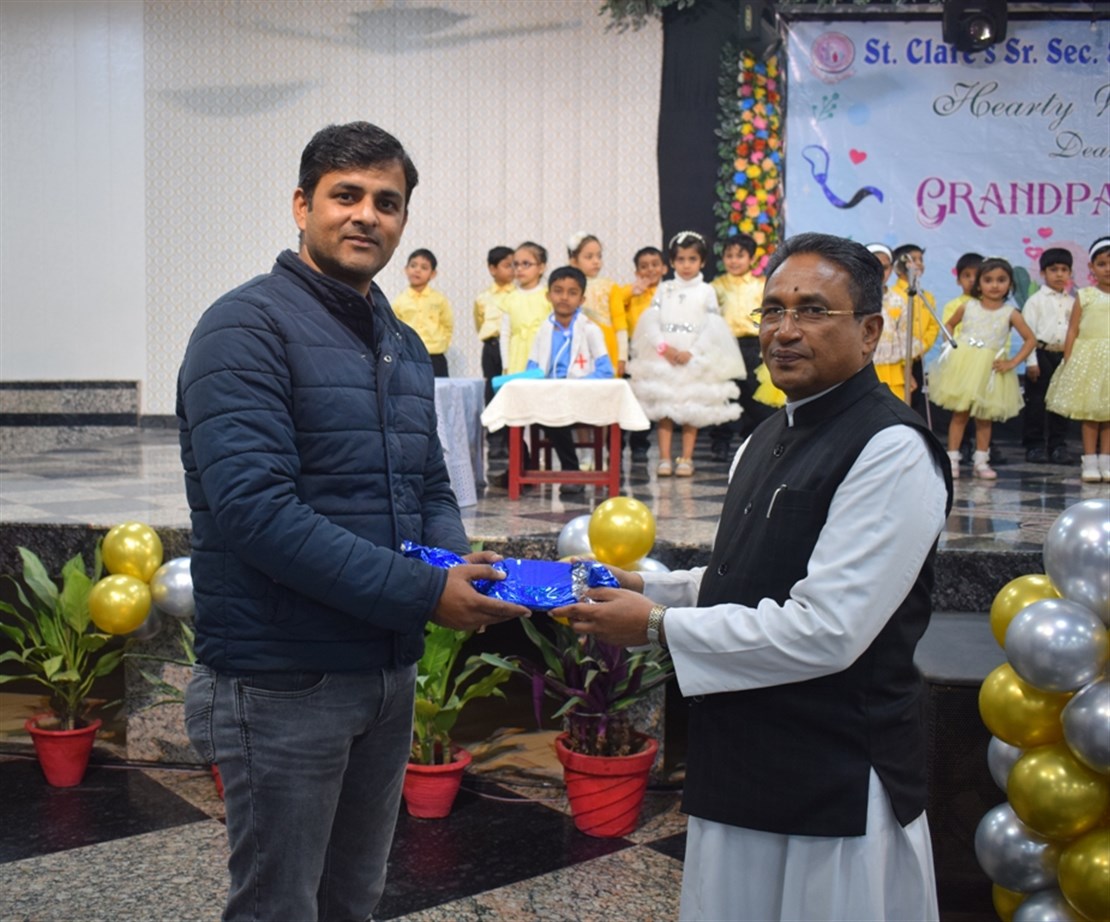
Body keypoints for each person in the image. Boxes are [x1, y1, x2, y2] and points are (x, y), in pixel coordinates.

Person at [177, 122, 528, 922]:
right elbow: (256, 513)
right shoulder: (244, 328)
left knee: (354, 898)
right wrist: (424, 593)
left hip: (383, 672)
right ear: (302, 206)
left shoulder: (398, 340)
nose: (368, 214)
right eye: (347, 195)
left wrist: (450, 566)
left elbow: (429, 482)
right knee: (279, 906)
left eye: (387, 202)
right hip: (283, 676)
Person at [552, 232, 954, 921]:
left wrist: (655, 625)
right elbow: (746, 577)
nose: (785, 330)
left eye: (813, 311)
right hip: (742, 756)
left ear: (869, 332)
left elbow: (828, 629)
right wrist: (644, 586)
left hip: (833, 775)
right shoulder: (765, 436)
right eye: (772, 310)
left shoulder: (890, 447)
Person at [627, 231, 745, 478]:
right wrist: (663, 347)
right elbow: (651, 322)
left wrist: (692, 351)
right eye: (681, 259)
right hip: (665, 356)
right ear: (672, 262)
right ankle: (664, 458)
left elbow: (712, 327)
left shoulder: (706, 290)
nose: (686, 265)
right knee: (665, 409)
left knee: (691, 408)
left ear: (702, 262)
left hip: (692, 356)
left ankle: (686, 459)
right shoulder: (664, 288)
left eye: (692, 259)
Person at [929, 257, 1037, 480]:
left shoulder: (1010, 313)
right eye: (988, 280)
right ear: (979, 284)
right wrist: (950, 345)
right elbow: (949, 324)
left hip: (991, 370)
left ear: (1010, 284)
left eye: (1001, 280)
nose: (995, 285)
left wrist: (1012, 362)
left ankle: (981, 461)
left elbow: (1030, 339)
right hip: (965, 366)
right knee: (960, 413)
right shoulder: (968, 306)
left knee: (984, 417)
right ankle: (952, 459)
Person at [523, 265, 615, 494]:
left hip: (582, 398)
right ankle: (523, 469)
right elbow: (532, 366)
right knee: (517, 409)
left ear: (582, 299)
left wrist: (576, 386)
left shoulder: (591, 330)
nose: (564, 297)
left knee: (555, 411)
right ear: (548, 295)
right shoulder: (543, 330)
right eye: (558, 291)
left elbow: (606, 371)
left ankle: (571, 469)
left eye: (572, 292)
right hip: (551, 398)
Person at [1047, 236, 1110, 483]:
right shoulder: (1085, 296)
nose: (1108, 269)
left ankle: (1106, 460)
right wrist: (1069, 358)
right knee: (1090, 413)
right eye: (1102, 264)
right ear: (1092, 268)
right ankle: (1090, 461)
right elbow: (1073, 329)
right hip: (1090, 359)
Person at [708, 234, 772, 460]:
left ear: (751, 259)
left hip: (752, 345)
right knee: (725, 394)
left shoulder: (761, 285)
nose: (734, 261)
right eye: (729, 256)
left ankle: (754, 441)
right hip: (725, 345)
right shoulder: (716, 286)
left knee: (753, 395)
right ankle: (720, 442)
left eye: (740, 256)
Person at [611, 245, 667, 463]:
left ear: (664, 268)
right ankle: (617, 445)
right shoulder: (629, 293)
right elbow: (615, 304)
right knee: (629, 399)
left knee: (649, 401)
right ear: (636, 272)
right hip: (634, 352)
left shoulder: (668, 292)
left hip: (657, 355)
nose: (650, 270)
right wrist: (631, 293)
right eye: (644, 266)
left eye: (655, 265)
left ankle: (640, 444)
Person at [1022, 247, 1075, 464]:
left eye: (1064, 270)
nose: (1059, 274)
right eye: (1054, 270)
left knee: (1060, 403)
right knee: (1036, 403)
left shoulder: (1073, 302)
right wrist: (1031, 362)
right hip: (1041, 354)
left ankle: (1058, 446)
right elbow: (1028, 334)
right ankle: (1034, 446)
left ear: (1070, 273)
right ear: (1043, 273)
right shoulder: (1035, 301)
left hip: (1064, 355)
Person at [474, 245, 515, 467]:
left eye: (514, 265)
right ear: (492, 269)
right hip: (491, 348)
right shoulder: (483, 297)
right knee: (491, 393)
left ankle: (512, 441)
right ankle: (495, 443)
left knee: (511, 392)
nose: (513, 269)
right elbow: (479, 322)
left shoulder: (517, 295)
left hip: (512, 348)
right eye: (507, 265)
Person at [891, 243, 941, 418]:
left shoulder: (927, 297)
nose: (918, 263)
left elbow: (933, 326)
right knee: (897, 403)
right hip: (895, 361)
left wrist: (920, 347)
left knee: (915, 404)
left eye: (921, 259)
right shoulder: (892, 295)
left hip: (917, 357)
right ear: (898, 266)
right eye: (913, 259)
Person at [392, 247, 454, 378]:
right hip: (409, 357)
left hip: (435, 357)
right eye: (413, 265)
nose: (417, 270)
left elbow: (447, 326)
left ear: (433, 274)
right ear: (406, 269)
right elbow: (394, 329)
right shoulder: (399, 301)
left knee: (438, 389)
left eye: (424, 267)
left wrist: (441, 344)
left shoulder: (439, 299)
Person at [568, 231, 622, 371]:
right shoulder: (567, 287)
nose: (596, 261)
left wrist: (622, 357)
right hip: (577, 342)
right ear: (573, 261)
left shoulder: (610, 286)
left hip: (606, 342)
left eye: (599, 256)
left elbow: (620, 322)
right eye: (589, 257)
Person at [867, 242, 915, 400]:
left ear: (891, 269)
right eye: (874, 266)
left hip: (893, 370)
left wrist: (908, 373)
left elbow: (905, 340)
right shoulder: (853, 299)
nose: (880, 272)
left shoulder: (899, 301)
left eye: (885, 267)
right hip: (862, 369)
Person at [500, 241, 549, 374]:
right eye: (516, 264)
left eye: (526, 264)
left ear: (541, 268)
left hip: (542, 356)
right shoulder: (510, 298)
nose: (520, 269)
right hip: (517, 358)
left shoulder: (548, 296)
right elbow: (505, 334)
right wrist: (506, 365)